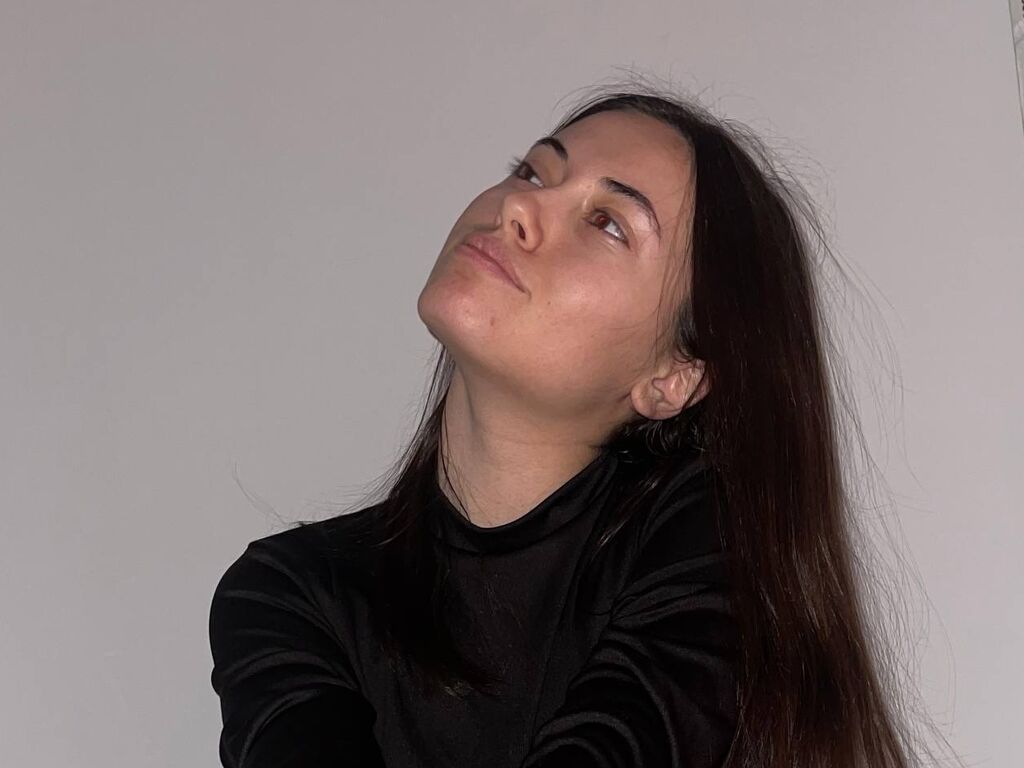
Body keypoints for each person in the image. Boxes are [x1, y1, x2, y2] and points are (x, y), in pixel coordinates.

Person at [208, 83, 959, 768]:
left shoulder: (714, 543)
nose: (516, 208)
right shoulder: (288, 593)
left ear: (673, 377)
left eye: (607, 223)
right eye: (533, 173)